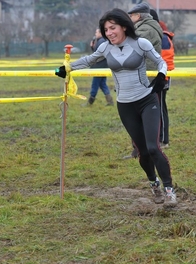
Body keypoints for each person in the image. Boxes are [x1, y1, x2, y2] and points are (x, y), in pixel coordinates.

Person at [55, 8, 177, 207]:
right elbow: (88, 60)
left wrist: (161, 76)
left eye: (113, 28)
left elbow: (161, 61)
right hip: (125, 106)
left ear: (123, 26)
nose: (109, 33)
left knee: (154, 148)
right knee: (143, 152)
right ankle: (153, 184)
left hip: (147, 100)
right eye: (106, 30)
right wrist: (65, 68)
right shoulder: (105, 48)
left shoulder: (140, 43)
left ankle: (169, 190)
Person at [124, 2, 163, 159]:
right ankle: (140, 148)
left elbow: (129, 47)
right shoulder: (146, 27)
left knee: (138, 115)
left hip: (143, 77)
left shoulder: (145, 30)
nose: (130, 19)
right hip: (143, 75)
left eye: (131, 16)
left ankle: (141, 149)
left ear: (138, 16)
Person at [150, 9, 175, 149]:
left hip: (162, 77)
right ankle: (158, 137)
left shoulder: (163, 37)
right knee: (156, 107)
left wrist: (160, 76)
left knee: (160, 108)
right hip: (156, 75)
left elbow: (164, 59)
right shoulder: (158, 36)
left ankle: (164, 140)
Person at [85, 28, 114, 106]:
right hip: (103, 67)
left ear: (101, 33)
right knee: (102, 84)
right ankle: (110, 101)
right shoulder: (103, 41)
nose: (95, 34)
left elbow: (97, 55)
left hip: (99, 67)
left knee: (95, 84)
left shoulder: (101, 41)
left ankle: (90, 101)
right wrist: (92, 47)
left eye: (96, 32)